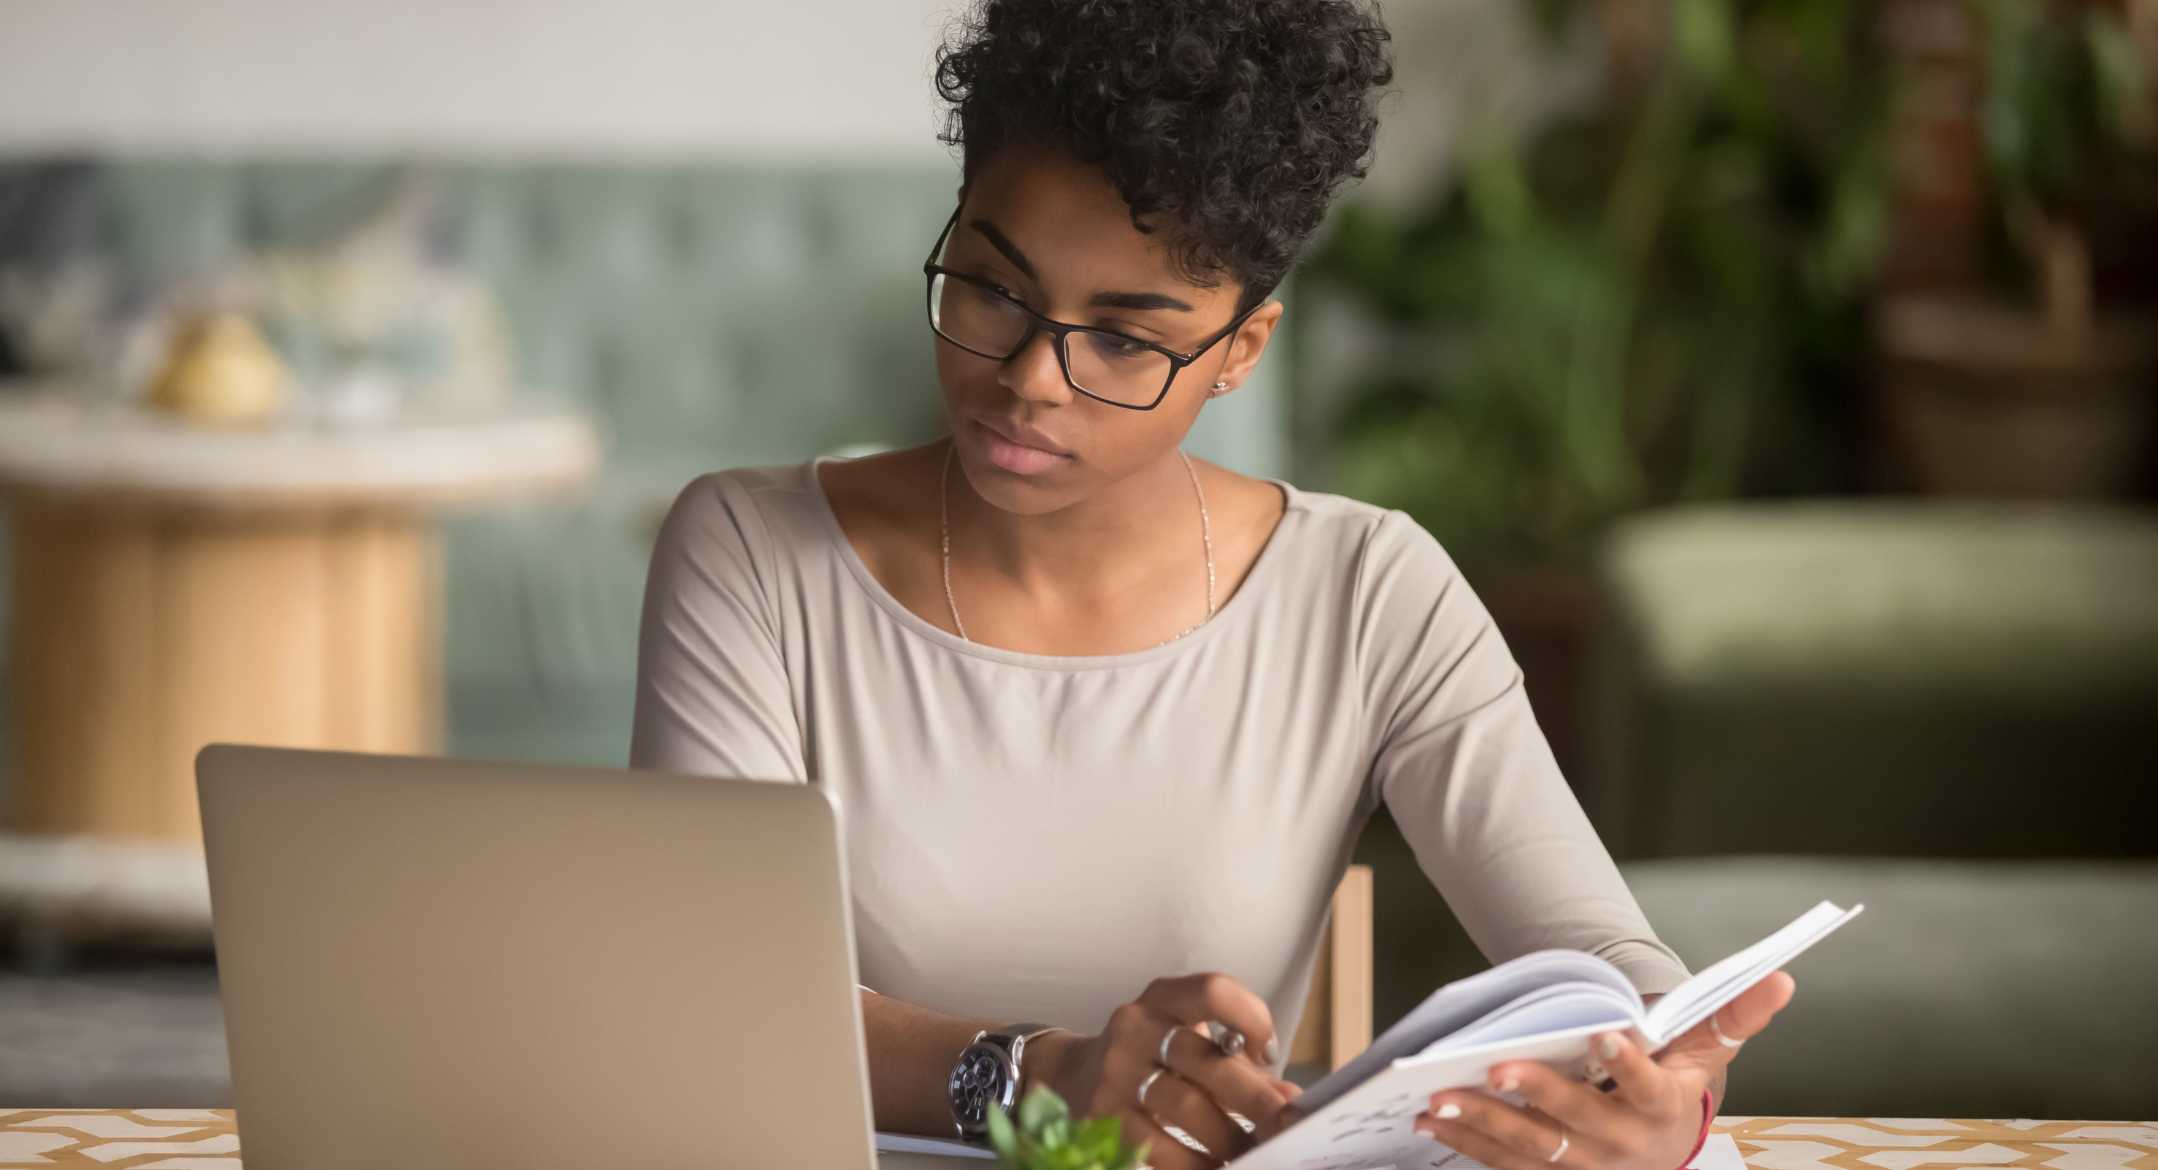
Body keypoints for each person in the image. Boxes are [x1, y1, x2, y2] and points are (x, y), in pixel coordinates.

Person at [630, 1, 1794, 1167]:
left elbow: (1602, 955)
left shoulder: (1366, 591)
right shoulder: (751, 552)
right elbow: (700, 995)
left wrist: (1669, 1093)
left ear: (1241, 349)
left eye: (1126, 340)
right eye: (992, 290)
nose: (1033, 378)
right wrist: (1045, 1079)